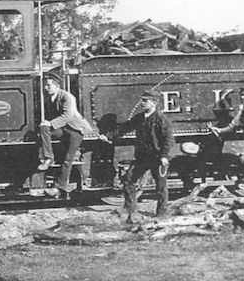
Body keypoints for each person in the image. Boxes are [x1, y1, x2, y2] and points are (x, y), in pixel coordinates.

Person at [101, 90, 175, 222]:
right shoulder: (140, 118)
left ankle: (161, 213)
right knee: (128, 179)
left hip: (157, 158)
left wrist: (164, 156)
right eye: (142, 100)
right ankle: (130, 210)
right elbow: (124, 128)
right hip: (142, 158)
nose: (142, 103)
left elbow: (168, 140)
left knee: (161, 186)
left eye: (145, 100)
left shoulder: (161, 119)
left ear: (154, 103)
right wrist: (108, 136)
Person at [37, 73, 93, 196]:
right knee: (44, 129)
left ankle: (60, 186)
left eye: (48, 85)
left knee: (67, 159)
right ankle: (48, 158)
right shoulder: (50, 97)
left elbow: (68, 116)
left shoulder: (68, 97)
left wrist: (50, 123)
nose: (46, 88)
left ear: (56, 86)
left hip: (76, 130)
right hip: (64, 128)